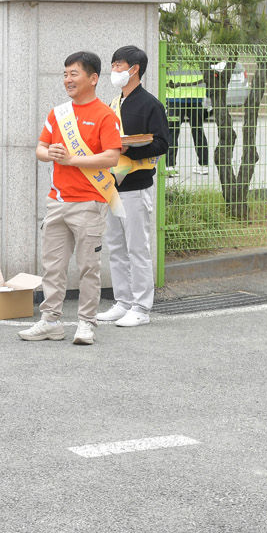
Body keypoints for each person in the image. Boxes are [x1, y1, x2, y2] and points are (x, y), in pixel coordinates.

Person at [19, 52, 122, 346]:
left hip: (90, 202)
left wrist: (73, 160)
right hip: (57, 201)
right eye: (65, 75)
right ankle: (50, 321)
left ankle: (86, 322)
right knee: (53, 266)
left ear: (93, 78)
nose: (67, 80)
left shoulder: (105, 115)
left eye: (74, 74)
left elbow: (112, 157)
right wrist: (47, 153)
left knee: (89, 266)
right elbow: (40, 147)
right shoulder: (58, 113)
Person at [95, 46, 170, 328]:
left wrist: (130, 148)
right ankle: (123, 302)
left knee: (138, 248)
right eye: (113, 65)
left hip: (136, 187)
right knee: (115, 247)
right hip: (113, 185)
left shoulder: (151, 104)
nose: (113, 71)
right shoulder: (115, 103)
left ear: (134, 69)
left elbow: (161, 144)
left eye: (118, 65)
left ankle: (141, 307)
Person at [166, 57, 211, 175]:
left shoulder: (172, 51)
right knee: (198, 130)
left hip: (175, 97)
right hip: (196, 97)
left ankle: (170, 166)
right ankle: (204, 165)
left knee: (172, 131)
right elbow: (207, 73)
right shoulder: (199, 50)